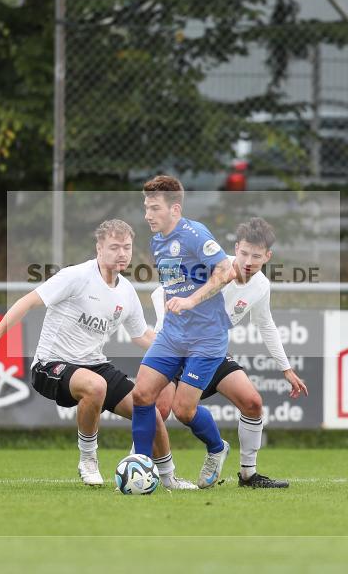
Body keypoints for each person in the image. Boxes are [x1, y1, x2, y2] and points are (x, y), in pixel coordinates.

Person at [0, 219, 196, 490]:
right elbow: (27, 301)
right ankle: (88, 459)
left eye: (126, 247)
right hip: (51, 365)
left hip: (94, 365)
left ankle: (169, 478)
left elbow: (142, 336)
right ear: (99, 248)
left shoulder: (126, 291)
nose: (122, 253)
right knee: (96, 385)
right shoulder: (75, 276)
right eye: (114, 247)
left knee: (150, 412)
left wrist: (178, 355)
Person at [152, 217, 308, 488]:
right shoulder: (212, 266)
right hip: (178, 347)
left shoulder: (261, 286)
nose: (248, 261)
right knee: (162, 409)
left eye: (256, 256)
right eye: (244, 253)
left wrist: (286, 368)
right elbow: (159, 292)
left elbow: (265, 325)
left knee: (253, 403)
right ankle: (140, 464)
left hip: (211, 351)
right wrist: (163, 329)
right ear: (235, 248)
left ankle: (248, 475)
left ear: (267, 257)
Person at [130, 175, 234, 488]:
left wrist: (191, 301)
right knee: (142, 394)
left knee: (184, 410)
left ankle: (217, 448)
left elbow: (226, 271)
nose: (148, 215)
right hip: (172, 335)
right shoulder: (157, 241)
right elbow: (174, 282)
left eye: (155, 208)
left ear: (175, 209)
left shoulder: (194, 233)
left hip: (206, 338)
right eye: (146, 208)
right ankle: (142, 468)